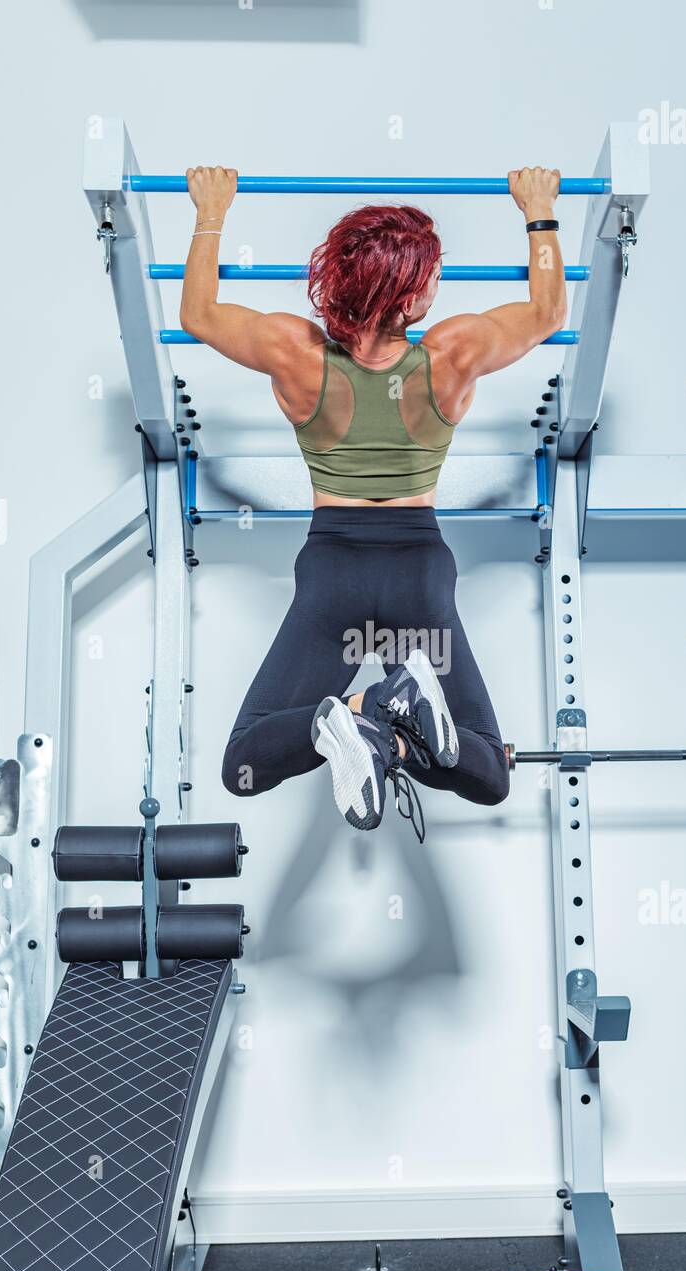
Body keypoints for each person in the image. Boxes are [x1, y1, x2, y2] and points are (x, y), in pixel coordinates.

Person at [179, 163, 566, 842]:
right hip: (419, 573)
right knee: (489, 774)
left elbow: (198, 314)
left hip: (332, 574)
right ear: (411, 294)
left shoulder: (295, 354)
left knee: (244, 760)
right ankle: (393, 706)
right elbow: (547, 311)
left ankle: (363, 710)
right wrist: (538, 210)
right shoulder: (452, 354)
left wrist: (212, 209)